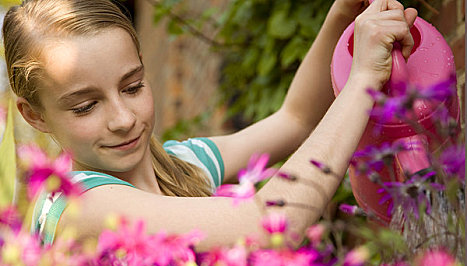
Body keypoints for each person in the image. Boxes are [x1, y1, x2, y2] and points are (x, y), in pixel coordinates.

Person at [3, 0, 417, 250]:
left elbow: (296, 118)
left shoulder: (182, 166)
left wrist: (344, 12)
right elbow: (268, 225)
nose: (123, 119)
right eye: (86, 106)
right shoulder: (79, 207)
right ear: (35, 115)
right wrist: (362, 80)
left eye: (132, 87)